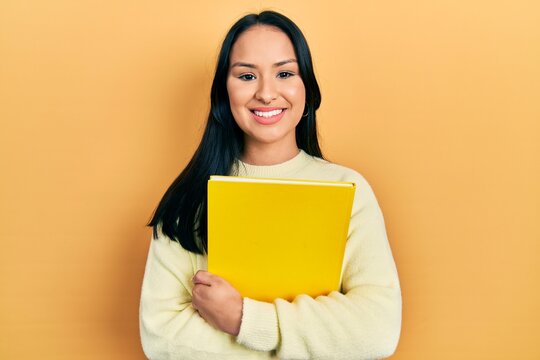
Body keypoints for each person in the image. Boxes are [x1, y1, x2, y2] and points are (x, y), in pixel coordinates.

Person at [139, 10, 401, 360]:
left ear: (305, 86)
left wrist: (243, 320)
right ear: (224, 92)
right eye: (247, 75)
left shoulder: (350, 189)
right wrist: (312, 341)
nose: (266, 93)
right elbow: (160, 338)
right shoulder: (189, 198)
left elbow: (377, 331)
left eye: (284, 73)